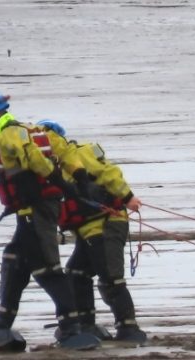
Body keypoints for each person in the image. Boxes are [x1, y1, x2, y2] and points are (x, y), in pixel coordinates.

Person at [0, 92, 98, 351]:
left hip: (34, 212)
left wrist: (64, 183)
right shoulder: (33, 129)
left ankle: (72, 329)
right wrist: (78, 176)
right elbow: (66, 149)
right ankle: (1, 326)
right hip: (33, 211)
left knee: (47, 269)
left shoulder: (8, 134)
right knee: (14, 261)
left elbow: (35, 160)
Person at [37, 119, 147, 345]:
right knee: (76, 273)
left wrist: (128, 198)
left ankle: (129, 329)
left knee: (110, 279)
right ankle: (87, 325)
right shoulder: (49, 169)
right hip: (87, 232)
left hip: (106, 224)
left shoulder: (82, 153)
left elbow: (110, 173)